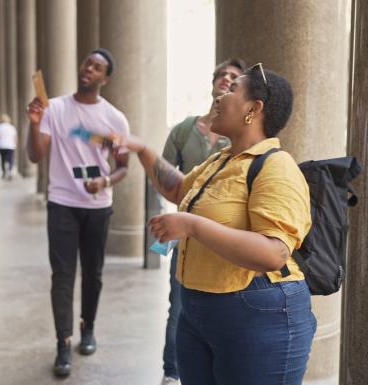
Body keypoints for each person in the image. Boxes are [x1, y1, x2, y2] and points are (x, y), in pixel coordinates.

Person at [120, 64, 315, 385]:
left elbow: (273, 253)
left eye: (232, 90)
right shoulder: (220, 160)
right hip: (198, 310)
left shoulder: (277, 167)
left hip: (258, 314)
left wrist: (193, 226)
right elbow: (179, 189)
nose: (219, 97)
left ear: (254, 109)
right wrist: (142, 149)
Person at [25, 48, 130, 377]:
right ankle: (62, 342)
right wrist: (34, 124)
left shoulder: (115, 117)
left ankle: (88, 328)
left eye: (97, 67)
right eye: (87, 63)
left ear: (105, 78)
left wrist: (105, 181)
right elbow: (35, 156)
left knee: (94, 273)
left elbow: (123, 167)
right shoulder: (54, 108)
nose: (89, 69)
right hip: (62, 203)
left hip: (98, 206)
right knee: (62, 275)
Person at [159, 58, 245, 385]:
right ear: (212, 85)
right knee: (178, 305)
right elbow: (166, 180)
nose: (226, 79)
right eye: (221, 75)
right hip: (183, 235)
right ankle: (171, 373)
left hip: (223, 240)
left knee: (220, 310)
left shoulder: (237, 138)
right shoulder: (183, 129)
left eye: (234, 78)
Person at [0, 114, 18, 179]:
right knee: (10, 159)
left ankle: (4, 173)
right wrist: (15, 145)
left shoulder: (0, 127)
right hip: (10, 146)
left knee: (3, 159)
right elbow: (15, 137)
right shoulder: (12, 127)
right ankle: (10, 172)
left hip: (2, 146)